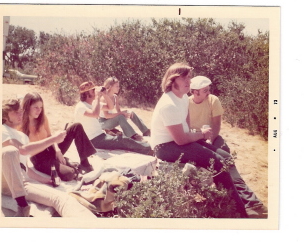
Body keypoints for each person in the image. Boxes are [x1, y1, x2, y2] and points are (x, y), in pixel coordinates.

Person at [150, 62, 249, 218]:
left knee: (225, 157)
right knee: (217, 161)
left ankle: (234, 199)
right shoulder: (168, 104)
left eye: (189, 77)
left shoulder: (182, 98)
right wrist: (201, 135)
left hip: (177, 141)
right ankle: (238, 211)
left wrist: (195, 137)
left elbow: (186, 126)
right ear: (172, 80)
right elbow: (181, 140)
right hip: (164, 147)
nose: (189, 81)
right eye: (185, 78)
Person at [1, 98, 96, 217]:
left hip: (22, 182)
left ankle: (87, 224)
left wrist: (43, 180)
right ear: (5, 115)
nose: (20, 114)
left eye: (20, 111)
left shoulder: (22, 136)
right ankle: (22, 206)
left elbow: (25, 169)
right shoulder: (1, 130)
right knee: (10, 151)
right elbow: (23, 150)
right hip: (4, 179)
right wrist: (54, 140)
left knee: (60, 198)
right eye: (15, 112)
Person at [189, 75, 265, 215]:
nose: (208, 92)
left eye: (208, 89)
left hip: (213, 137)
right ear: (194, 91)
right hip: (195, 139)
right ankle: (233, 204)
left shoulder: (213, 100)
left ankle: (253, 204)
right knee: (218, 170)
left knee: (228, 163)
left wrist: (210, 141)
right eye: (205, 90)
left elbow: (217, 125)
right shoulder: (186, 103)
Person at [20, 92, 96, 185]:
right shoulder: (20, 125)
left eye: (41, 107)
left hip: (51, 148)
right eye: (36, 107)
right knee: (70, 174)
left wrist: (57, 150)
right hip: (39, 159)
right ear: (27, 106)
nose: (39, 110)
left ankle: (85, 163)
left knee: (76, 126)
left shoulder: (42, 118)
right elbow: (24, 150)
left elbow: (49, 136)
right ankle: (70, 165)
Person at [74, 81, 153, 155]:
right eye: (92, 90)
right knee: (122, 140)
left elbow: (110, 107)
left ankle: (145, 146)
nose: (95, 92)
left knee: (122, 138)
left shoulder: (93, 104)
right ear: (86, 93)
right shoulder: (81, 106)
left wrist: (105, 95)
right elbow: (95, 114)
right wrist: (98, 97)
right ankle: (147, 149)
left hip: (100, 136)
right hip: (92, 140)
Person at [98, 77, 151, 141]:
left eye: (118, 86)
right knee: (120, 116)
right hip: (104, 123)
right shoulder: (104, 98)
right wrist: (121, 113)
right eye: (117, 86)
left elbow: (119, 111)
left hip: (110, 120)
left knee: (130, 112)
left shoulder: (115, 97)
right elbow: (107, 116)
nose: (119, 88)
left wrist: (126, 113)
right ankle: (132, 135)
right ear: (110, 86)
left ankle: (145, 131)